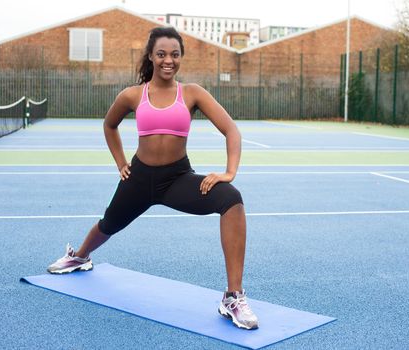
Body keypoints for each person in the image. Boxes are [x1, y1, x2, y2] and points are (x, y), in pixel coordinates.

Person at [47, 27, 258, 330]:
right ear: (151, 56)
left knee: (231, 199)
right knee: (109, 224)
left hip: (177, 179)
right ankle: (80, 256)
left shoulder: (193, 93)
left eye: (174, 54)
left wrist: (229, 172)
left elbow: (231, 130)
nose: (168, 60)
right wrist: (120, 162)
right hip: (139, 179)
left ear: (180, 58)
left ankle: (233, 296)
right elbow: (110, 125)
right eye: (161, 54)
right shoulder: (133, 95)